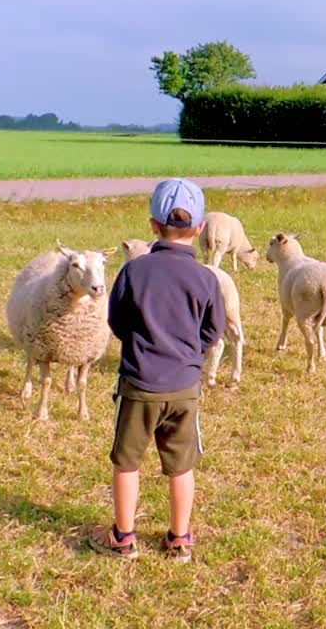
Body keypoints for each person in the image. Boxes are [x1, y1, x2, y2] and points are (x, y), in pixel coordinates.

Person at [89, 178, 225, 562]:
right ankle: (180, 539)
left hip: (138, 385)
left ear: (152, 225)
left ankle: (123, 538)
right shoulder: (207, 278)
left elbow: (116, 322)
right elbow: (213, 331)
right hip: (184, 388)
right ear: (200, 229)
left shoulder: (134, 271)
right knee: (181, 467)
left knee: (126, 462)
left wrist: (141, 345)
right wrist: (188, 354)